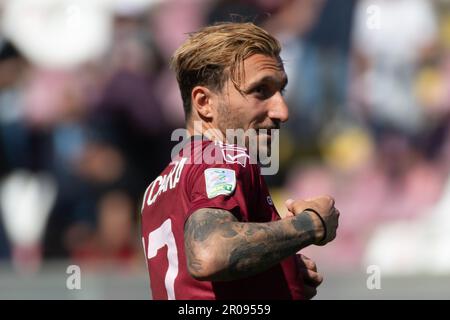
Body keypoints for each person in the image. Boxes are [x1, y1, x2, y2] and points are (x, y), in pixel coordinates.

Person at [140, 22, 340, 300]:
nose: (282, 111)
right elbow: (210, 254)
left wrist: (278, 274)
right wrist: (311, 224)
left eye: (280, 91)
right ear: (204, 102)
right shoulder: (222, 155)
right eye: (260, 91)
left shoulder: (157, 188)